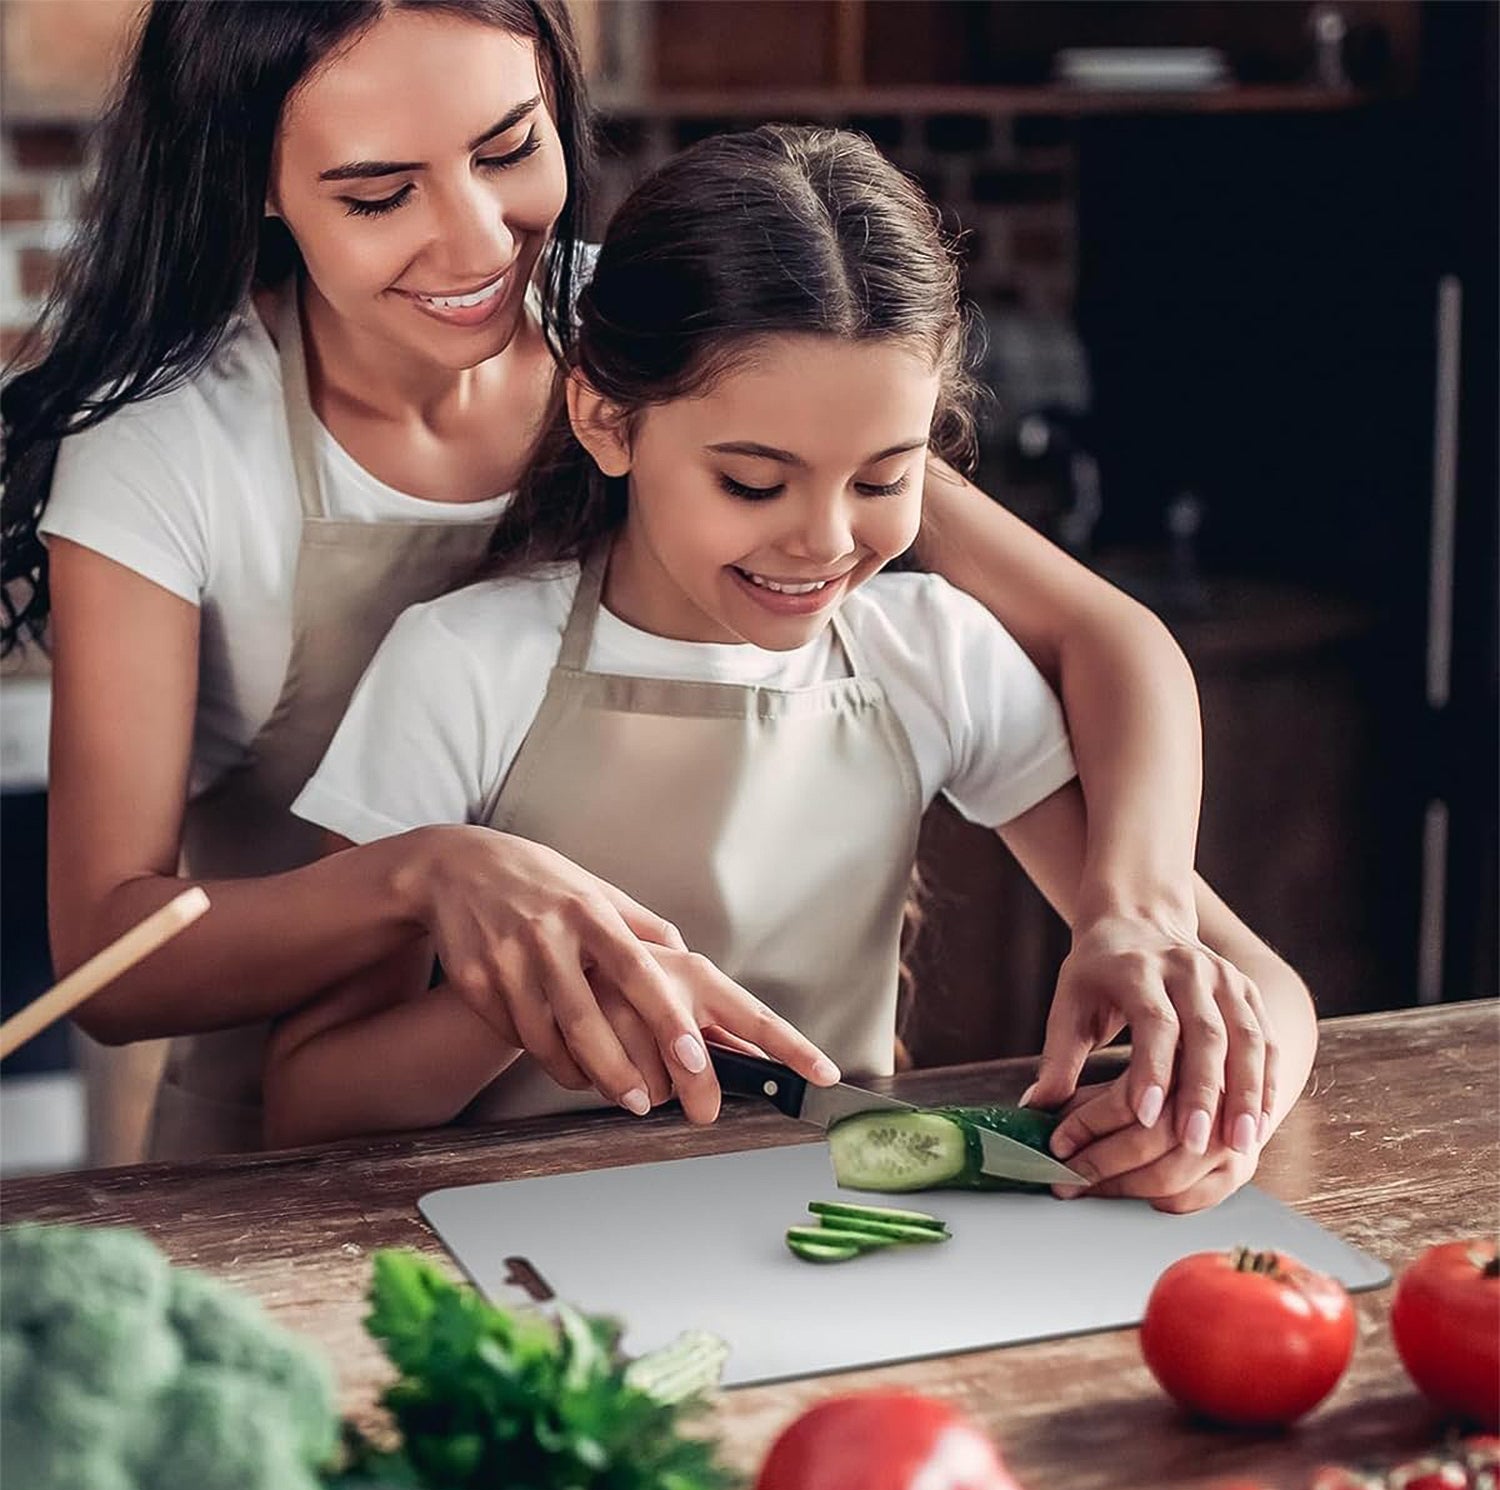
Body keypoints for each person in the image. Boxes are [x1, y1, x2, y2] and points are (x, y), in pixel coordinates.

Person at [2, 0, 1276, 1165]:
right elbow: (112, 961)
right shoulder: (173, 449)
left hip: (724, 1164)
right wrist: (430, 877)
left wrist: (1143, 908)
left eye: (509, 151)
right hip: (289, 1145)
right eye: (380, 193)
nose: (477, 240)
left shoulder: (662, 342)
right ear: (257, 187)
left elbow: (1101, 634)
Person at [268, 125, 1317, 1213]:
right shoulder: (464, 667)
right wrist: (520, 997)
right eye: (754, 484)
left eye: (880, 481)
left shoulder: (931, 653)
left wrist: (1220, 1108)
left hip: (837, 1232)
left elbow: (1265, 989)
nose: (822, 542)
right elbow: (309, 1105)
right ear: (605, 418)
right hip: (515, 1243)